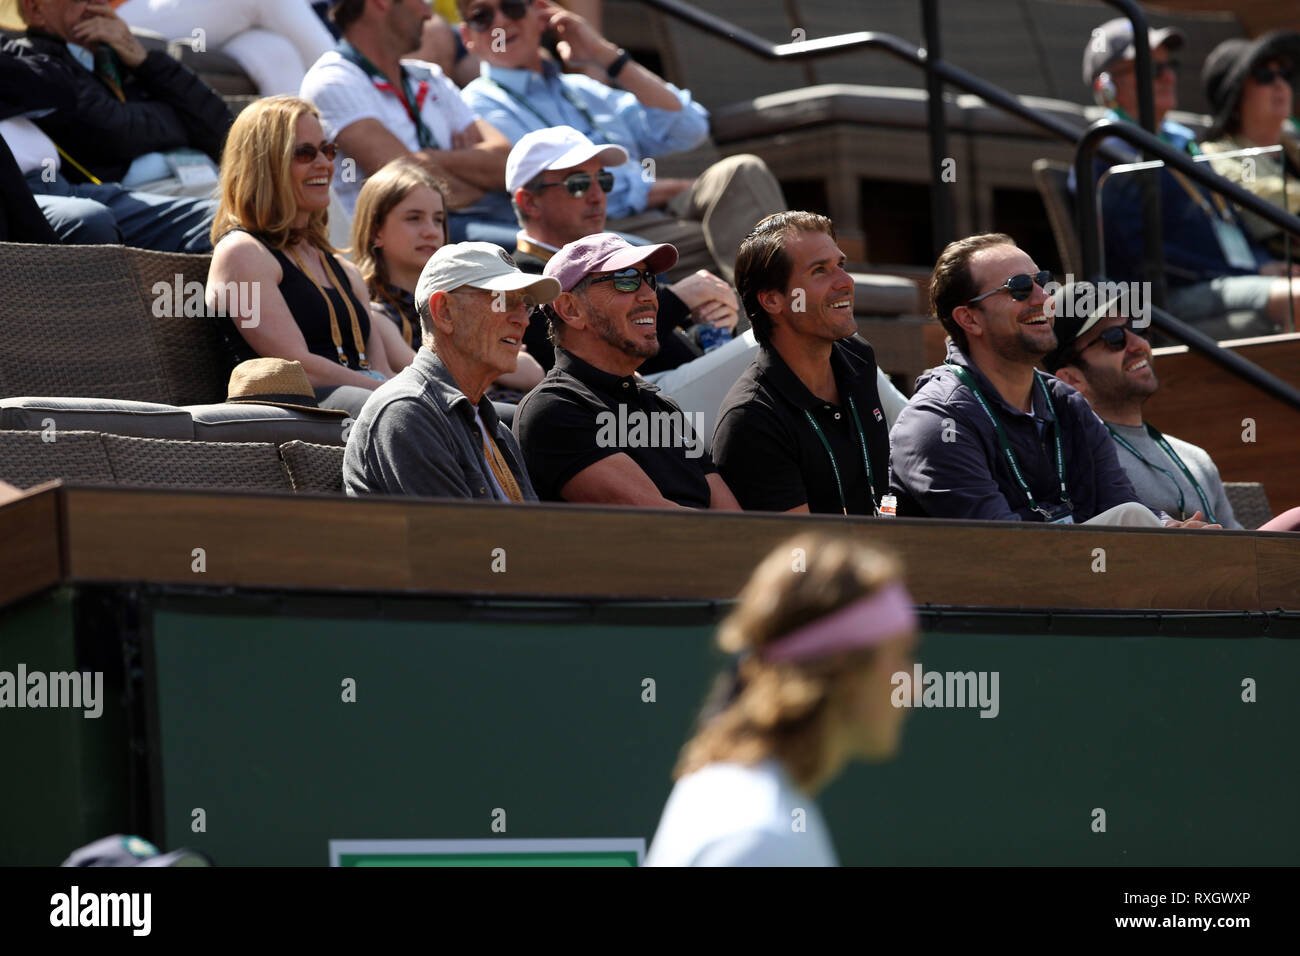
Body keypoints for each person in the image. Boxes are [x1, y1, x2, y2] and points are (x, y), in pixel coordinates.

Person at [888, 233, 1217, 528]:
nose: (1041, 297)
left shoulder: (1067, 402)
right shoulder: (937, 422)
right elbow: (1001, 551)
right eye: (1018, 287)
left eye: (1041, 281)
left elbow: (1118, 501)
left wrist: (1169, 530)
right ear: (970, 319)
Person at [458, 0, 786, 283]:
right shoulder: (477, 102)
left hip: (659, 212)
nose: (500, 22)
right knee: (753, 241)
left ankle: (780, 311)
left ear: (540, 11)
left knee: (742, 171)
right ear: (466, 36)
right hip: (595, 224)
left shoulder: (581, 88)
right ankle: (780, 324)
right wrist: (664, 188)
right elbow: (561, 188)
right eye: (482, 16)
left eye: (512, 5)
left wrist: (605, 54)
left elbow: (689, 128)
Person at [645, 532, 918, 866]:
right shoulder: (762, 839)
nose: (914, 686)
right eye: (902, 655)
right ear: (844, 668)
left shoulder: (742, 799)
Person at [1079, 17, 1300, 338]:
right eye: (1153, 70)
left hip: (1230, 278)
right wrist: (1249, 270)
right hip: (1169, 299)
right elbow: (1142, 257)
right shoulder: (1106, 151)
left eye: (1170, 66)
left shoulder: (1183, 143)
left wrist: (1262, 263)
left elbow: (1228, 220)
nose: (1168, 76)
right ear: (1107, 86)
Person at [207, 96, 414, 417]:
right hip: (296, 409)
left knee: (497, 419)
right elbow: (299, 368)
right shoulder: (242, 254)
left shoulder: (343, 268)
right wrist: (398, 393)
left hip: (366, 401)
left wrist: (409, 391)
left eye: (327, 150)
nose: (325, 164)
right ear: (265, 165)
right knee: (418, 413)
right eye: (305, 153)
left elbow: (379, 367)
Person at [513, 232, 741, 509]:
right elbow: (666, 526)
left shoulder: (662, 406)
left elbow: (733, 519)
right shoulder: (553, 410)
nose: (649, 295)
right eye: (626, 280)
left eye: (650, 279)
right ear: (570, 309)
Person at [1044, 291, 1300, 532]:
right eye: (1114, 339)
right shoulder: (1075, 456)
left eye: (1136, 329)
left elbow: (1243, 548)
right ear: (1071, 379)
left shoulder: (1195, 456)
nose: (1137, 344)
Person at [2, 0, 229, 250]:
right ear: (36, 11)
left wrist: (146, 62)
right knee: (238, 219)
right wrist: (182, 120)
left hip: (197, 178)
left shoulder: (125, 54)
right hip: (137, 187)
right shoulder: (36, 57)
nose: (99, 3)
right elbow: (115, 132)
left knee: (252, 212)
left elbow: (223, 129)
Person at [344, 241, 560, 500]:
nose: (523, 319)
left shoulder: (494, 427)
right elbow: (458, 539)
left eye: (525, 304)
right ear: (444, 311)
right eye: (502, 300)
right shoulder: (408, 412)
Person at [713, 212, 894, 516]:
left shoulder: (857, 356)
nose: (846, 282)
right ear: (772, 301)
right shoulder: (751, 420)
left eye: (841, 265)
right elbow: (799, 556)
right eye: (820, 271)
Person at [300, 0, 511, 240]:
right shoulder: (333, 82)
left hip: (469, 220)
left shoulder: (429, 75)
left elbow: (505, 162)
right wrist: (476, 172)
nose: (428, 13)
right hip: (411, 240)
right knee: (542, 249)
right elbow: (412, 183)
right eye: (420, 0)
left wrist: (429, 159)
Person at [351, 156, 543, 401]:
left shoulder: (465, 295)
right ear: (375, 231)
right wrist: (494, 367)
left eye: (438, 219)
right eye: (414, 218)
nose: (431, 231)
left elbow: (533, 373)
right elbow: (437, 377)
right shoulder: (376, 312)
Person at [1199, 31, 1300, 261]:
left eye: (1283, 73)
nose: (1280, 84)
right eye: (1264, 75)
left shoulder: (1292, 148)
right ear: (1234, 97)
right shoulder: (1216, 156)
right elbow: (1263, 202)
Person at [116, 0, 336, 95]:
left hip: (203, 21)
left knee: (277, 51)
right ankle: (347, 83)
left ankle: (307, 171)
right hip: (120, 12)